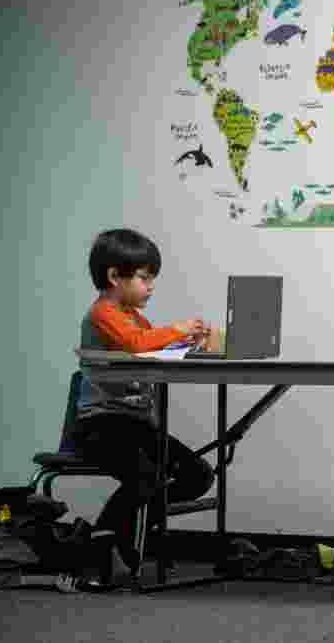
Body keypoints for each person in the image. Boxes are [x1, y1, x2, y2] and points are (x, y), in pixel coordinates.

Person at [74, 228, 216, 575]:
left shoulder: (134, 317)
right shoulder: (103, 313)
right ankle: (104, 540)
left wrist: (188, 343)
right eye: (144, 278)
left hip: (135, 424)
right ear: (114, 277)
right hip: (101, 426)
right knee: (146, 476)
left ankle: (125, 530)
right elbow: (137, 343)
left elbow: (150, 344)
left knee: (198, 474)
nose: (150, 287)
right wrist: (178, 328)